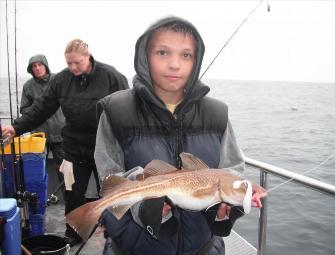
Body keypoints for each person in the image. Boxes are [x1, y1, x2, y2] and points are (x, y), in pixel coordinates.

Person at [94, 16, 266, 255]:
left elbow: (232, 169)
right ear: (145, 56)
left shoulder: (217, 113)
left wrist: (223, 209)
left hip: (203, 247)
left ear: (196, 61)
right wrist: (145, 208)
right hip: (134, 247)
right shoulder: (116, 110)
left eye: (186, 55)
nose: (175, 64)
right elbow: (109, 175)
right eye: (163, 53)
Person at [1, 39, 129, 245]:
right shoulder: (61, 80)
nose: (72, 67)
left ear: (88, 56)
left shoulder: (111, 76)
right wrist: (16, 127)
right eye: (68, 63)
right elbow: (41, 108)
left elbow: (127, 109)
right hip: (73, 149)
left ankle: (116, 233)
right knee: (72, 194)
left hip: (104, 148)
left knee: (111, 193)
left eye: (77, 63)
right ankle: (74, 231)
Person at [21, 54, 65, 187]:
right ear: (31, 69)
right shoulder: (28, 86)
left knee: (64, 169)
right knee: (37, 170)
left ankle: (69, 199)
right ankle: (38, 198)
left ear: (45, 66)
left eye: (40, 65)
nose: (37, 68)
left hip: (60, 134)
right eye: (34, 66)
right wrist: (37, 110)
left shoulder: (58, 79)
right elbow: (23, 109)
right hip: (38, 136)